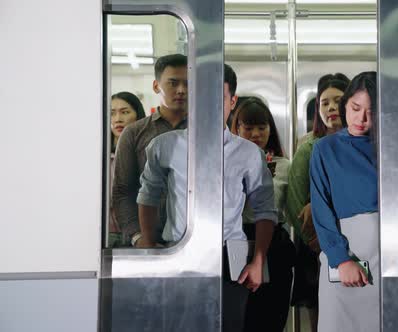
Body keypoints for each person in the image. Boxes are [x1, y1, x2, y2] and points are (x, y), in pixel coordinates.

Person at [136, 64, 277, 332]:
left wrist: (258, 261)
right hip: (177, 251)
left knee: (228, 325)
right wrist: (148, 243)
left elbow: (265, 210)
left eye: (220, 99)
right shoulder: (165, 146)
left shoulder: (248, 154)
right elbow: (148, 194)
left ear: (232, 101)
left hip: (229, 258)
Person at [310, 71, 379, 332]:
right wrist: (340, 259)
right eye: (355, 108)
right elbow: (321, 208)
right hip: (346, 253)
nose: (361, 119)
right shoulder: (325, 149)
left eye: (371, 112)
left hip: (388, 253)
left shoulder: (392, 147)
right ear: (345, 104)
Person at [285, 73, 350, 331]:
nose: (331, 107)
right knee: (321, 317)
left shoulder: (366, 144)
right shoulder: (308, 148)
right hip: (317, 250)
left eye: (338, 101)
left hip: (357, 244)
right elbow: (294, 203)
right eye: (324, 103)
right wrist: (320, 243)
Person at [230, 97, 296, 332]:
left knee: (271, 316)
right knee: (241, 316)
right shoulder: (227, 163)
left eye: (262, 127)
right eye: (248, 128)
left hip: (274, 243)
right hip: (237, 240)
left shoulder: (284, 165)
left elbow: (291, 207)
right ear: (236, 129)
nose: (256, 133)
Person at [112, 54, 188, 246]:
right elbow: (123, 191)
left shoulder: (205, 133)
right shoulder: (135, 133)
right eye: (173, 83)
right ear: (156, 86)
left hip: (192, 240)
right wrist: (139, 238)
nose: (181, 90)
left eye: (188, 83)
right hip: (147, 240)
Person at [109, 92, 146, 247]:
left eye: (125, 112)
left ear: (138, 115)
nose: (118, 119)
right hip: (107, 236)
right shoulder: (98, 157)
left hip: (142, 235)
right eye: (112, 113)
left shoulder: (149, 153)